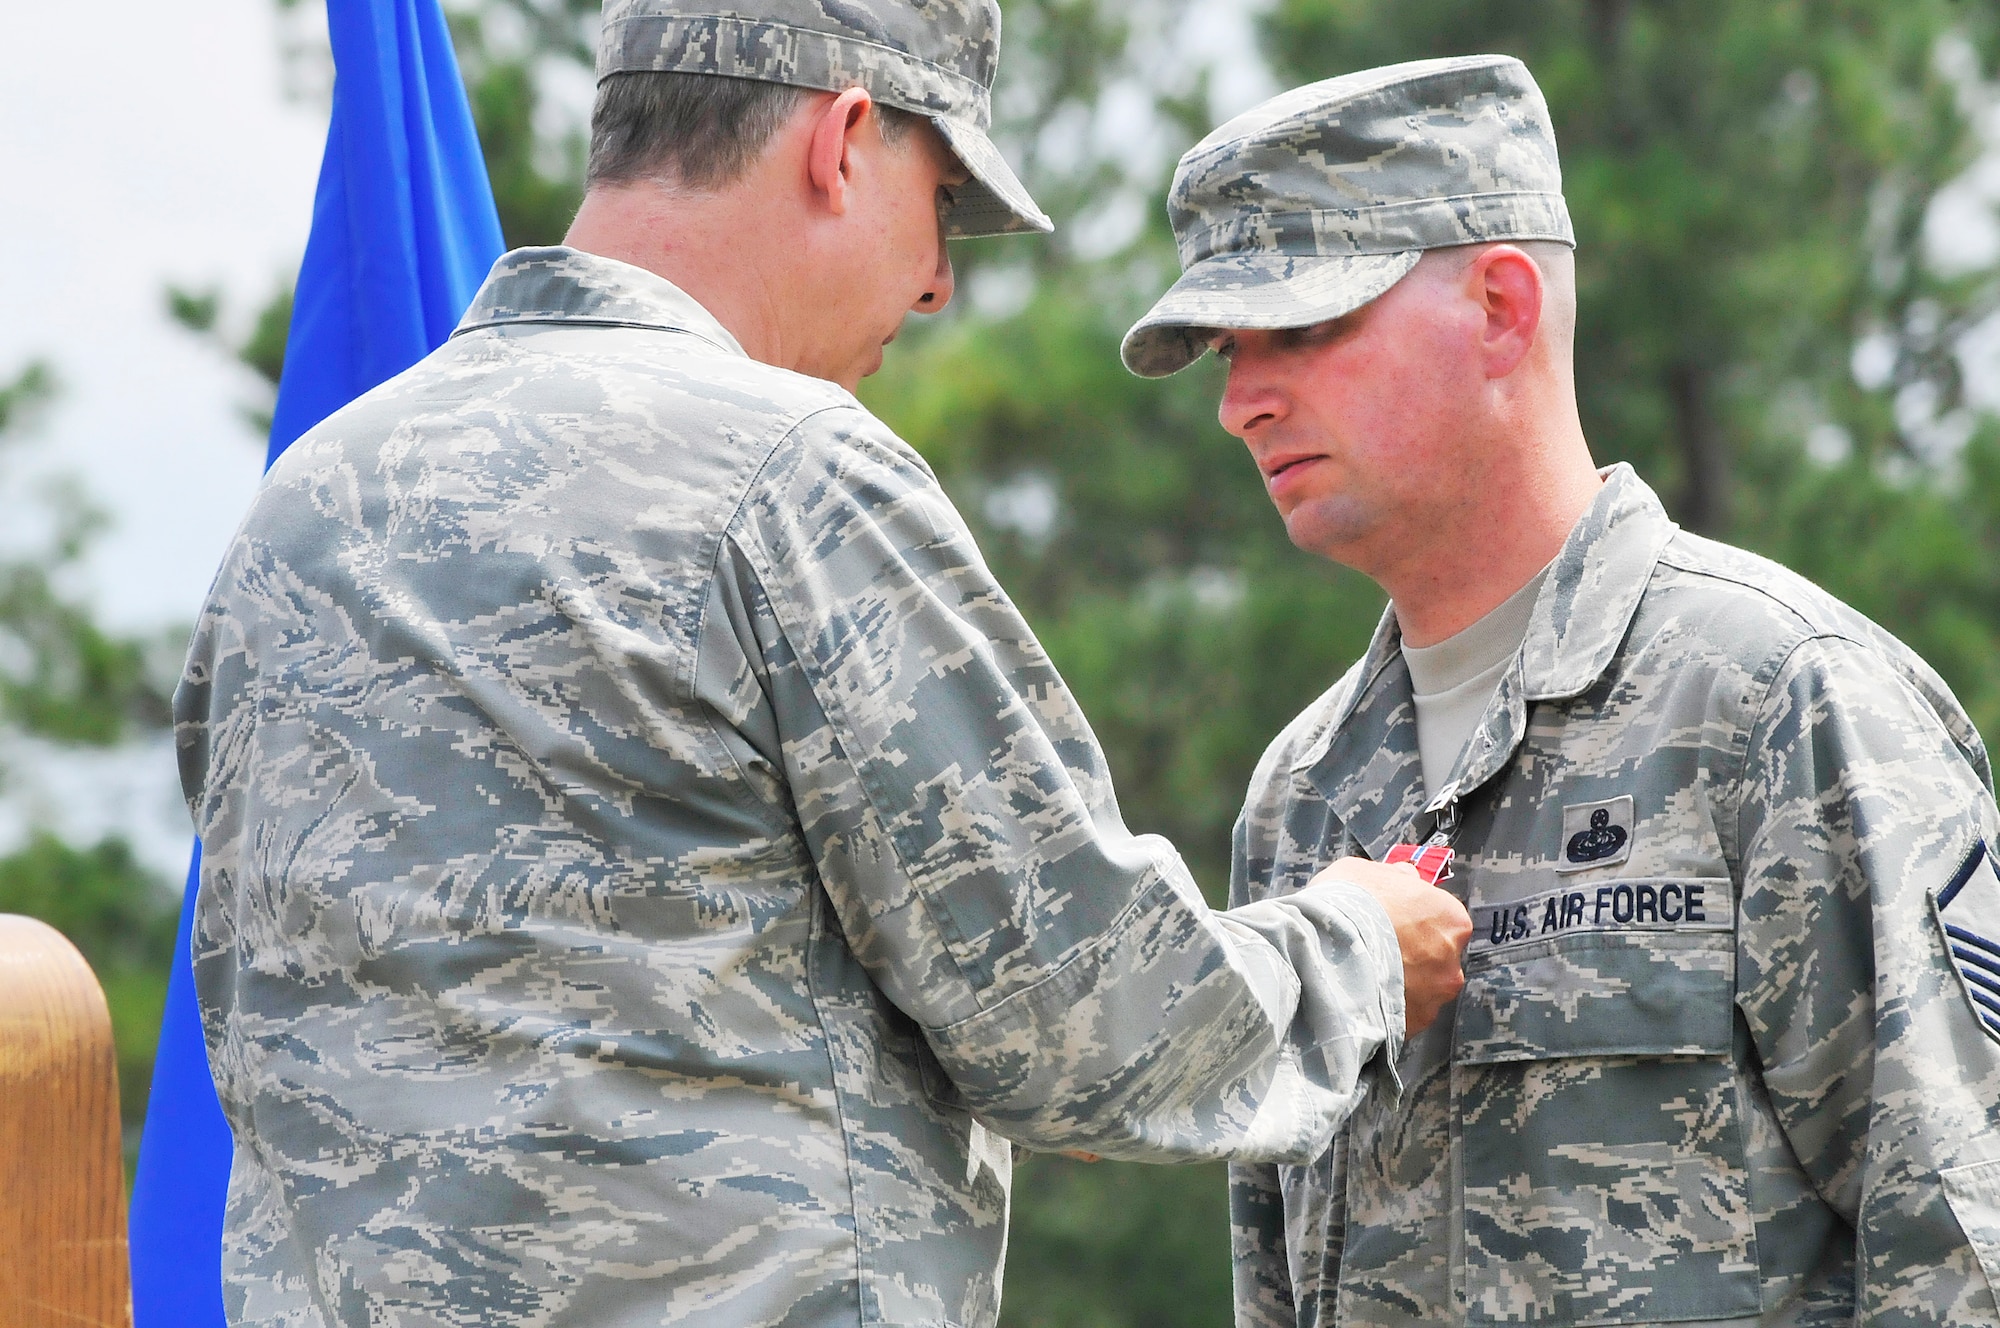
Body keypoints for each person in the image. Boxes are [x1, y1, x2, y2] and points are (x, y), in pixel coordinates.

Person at [173, 3, 1474, 1325]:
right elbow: (1092, 1024)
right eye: (944, 201)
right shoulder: (788, 476)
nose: (935, 283)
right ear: (843, 140)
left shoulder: (300, 510)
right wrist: (1364, 940)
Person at [1122, 53, 2000, 1328]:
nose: (1241, 401)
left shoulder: (1779, 705)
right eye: (1222, 350)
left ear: (1500, 306)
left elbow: (1962, 1251)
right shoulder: (1302, 796)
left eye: (1300, 327)